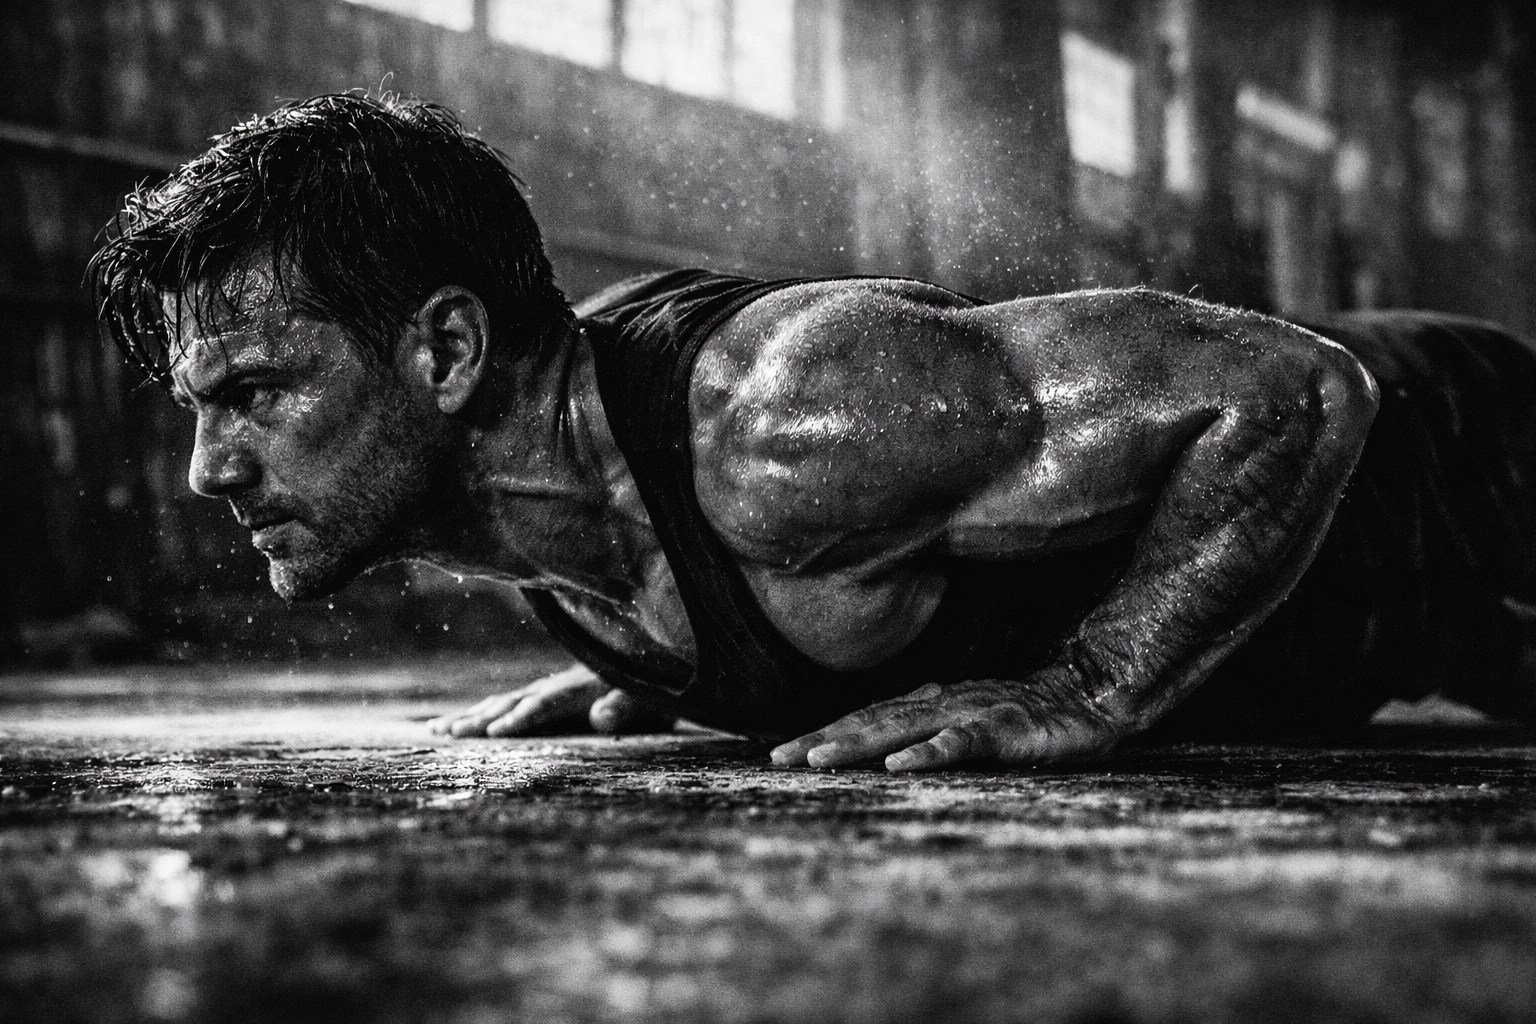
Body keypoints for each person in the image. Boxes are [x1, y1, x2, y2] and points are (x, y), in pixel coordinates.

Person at [89, 93, 1536, 771]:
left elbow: (1291, 394)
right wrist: (687, 667)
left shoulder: (787, 419)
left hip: (1468, 457)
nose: (211, 466)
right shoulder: (539, 513)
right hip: (1396, 630)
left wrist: (1088, 688)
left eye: (258, 393)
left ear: (449, 351)